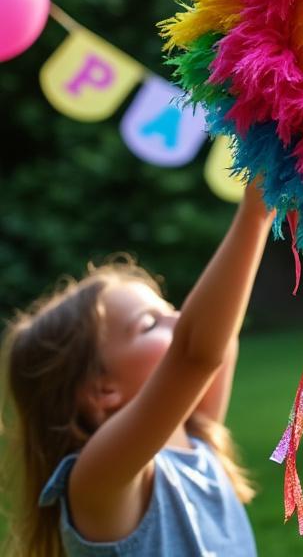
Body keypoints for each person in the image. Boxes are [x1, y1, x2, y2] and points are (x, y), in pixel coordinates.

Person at [2, 184, 272, 556]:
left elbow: (217, 342)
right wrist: (254, 216)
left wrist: (269, 210)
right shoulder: (98, 479)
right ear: (102, 390)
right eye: (150, 323)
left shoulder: (196, 434)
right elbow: (197, 353)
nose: (178, 320)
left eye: (170, 308)